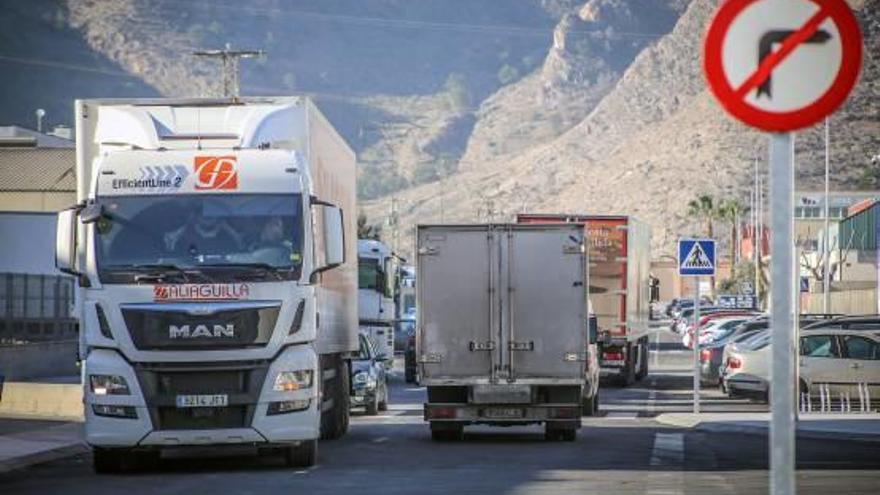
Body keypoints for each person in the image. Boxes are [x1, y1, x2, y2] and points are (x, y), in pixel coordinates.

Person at [165, 209, 240, 257]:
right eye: (204, 217)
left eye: (211, 217)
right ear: (196, 218)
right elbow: (176, 261)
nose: (207, 220)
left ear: (218, 219)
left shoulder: (229, 238)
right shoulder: (182, 238)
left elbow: (238, 258)